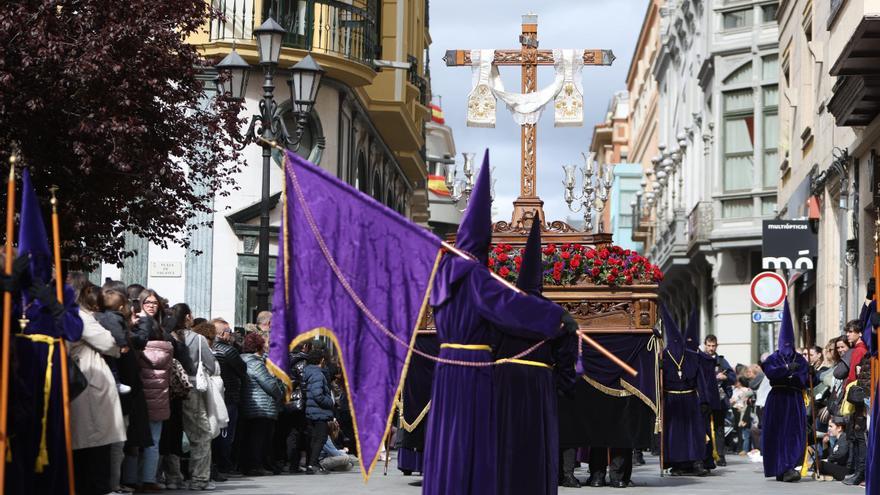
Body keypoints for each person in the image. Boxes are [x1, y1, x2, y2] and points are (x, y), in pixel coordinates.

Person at [421, 154, 577, 495]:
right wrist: (557, 317)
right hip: (472, 370)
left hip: (447, 369)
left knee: (449, 441)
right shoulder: (476, 275)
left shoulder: (444, 275)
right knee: (472, 445)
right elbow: (510, 307)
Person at [493, 219, 577, 494]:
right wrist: (564, 386)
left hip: (504, 382)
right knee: (536, 441)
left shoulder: (502, 307)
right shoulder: (555, 313)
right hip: (539, 383)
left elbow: (488, 344)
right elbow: (566, 357)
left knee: (505, 439)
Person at [69, 284, 126, 495]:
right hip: (89, 382)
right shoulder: (82, 317)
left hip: (87, 379)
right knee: (94, 442)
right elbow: (108, 342)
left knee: (92, 442)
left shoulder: (77, 315)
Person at [761, 300, 809, 483]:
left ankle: (789, 466)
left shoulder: (801, 359)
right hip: (778, 399)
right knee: (777, 432)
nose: (787, 347)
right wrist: (787, 369)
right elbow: (770, 372)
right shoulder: (773, 358)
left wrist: (807, 372)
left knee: (792, 433)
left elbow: (803, 379)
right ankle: (779, 467)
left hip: (794, 399)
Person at [170, 303, 217, 490]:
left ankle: (172, 477)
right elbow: (211, 366)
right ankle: (199, 478)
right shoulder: (198, 339)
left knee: (171, 432)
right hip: (191, 388)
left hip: (168, 389)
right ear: (188, 317)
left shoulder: (165, 334)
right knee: (201, 434)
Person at [660, 306, 707, 477]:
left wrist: (704, 401)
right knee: (678, 434)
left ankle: (695, 462)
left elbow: (700, 380)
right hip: (673, 400)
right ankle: (678, 464)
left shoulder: (691, 357)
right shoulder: (663, 358)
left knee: (692, 432)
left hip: (688, 400)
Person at [132, 325, 173, 492]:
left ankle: (131, 479)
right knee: (154, 441)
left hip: (140, 399)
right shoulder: (168, 350)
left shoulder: (138, 348)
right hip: (160, 401)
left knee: (134, 441)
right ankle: (149, 479)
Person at [240, 332, 285, 476]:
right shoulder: (256, 364)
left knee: (253, 438)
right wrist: (279, 388)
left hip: (250, 405)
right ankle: (255, 467)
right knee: (259, 439)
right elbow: (270, 385)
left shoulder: (243, 360)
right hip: (261, 406)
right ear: (259, 346)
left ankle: (254, 466)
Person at [212, 318, 246, 478]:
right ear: (222, 334)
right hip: (229, 396)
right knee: (226, 433)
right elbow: (242, 369)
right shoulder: (229, 351)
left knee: (215, 432)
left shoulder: (208, 348)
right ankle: (224, 465)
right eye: (229, 332)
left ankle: (217, 464)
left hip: (214, 395)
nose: (231, 335)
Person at [703, 334, 735, 466]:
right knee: (705, 428)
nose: (711, 348)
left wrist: (725, 377)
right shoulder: (700, 358)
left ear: (717, 346)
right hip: (705, 399)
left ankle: (720, 456)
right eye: (709, 345)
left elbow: (732, 377)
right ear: (705, 345)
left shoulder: (721, 361)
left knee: (719, 428)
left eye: (713, 346)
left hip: (719, 400)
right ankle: (706, 454)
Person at [303, 347, 335, 474]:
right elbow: (318, 395)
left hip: (312, 410)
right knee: (320, 438)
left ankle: (313, 463)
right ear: (321, 360)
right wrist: (330, 402)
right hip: (319, 411)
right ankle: (312, 464)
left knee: (315, 438)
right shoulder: (317, 374)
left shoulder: (309, 371)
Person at [819, 416, 849, 481]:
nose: (828, 428)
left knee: (819, 464)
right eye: (828, 426)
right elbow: (829, 455)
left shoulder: (844, 438)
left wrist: (828, 459)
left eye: (831, 426)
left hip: (845, 469)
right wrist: (824, 444)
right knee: (818, 464)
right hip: (839, 466)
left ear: (839, 428)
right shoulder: (837, 440)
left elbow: (841, 454)